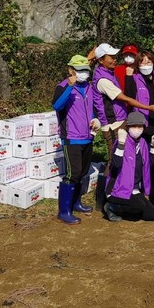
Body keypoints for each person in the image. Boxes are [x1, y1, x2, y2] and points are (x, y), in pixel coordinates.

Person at [92, 43, 154, 171]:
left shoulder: (108, 73)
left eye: (114, 57)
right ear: (101, 60)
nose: (114, 59)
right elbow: (124, 98)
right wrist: (147, 107)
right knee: (115, 159)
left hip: (119, 120)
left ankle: (118, 182)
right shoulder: (103, 80)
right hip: (112, 124)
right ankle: (107, 183)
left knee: (122, 157)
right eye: (111, 57)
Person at [53, 55, 101, 225]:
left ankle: (76, 203)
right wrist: (69, 86)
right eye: (79, 70)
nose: (83, 73)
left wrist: (96, 119)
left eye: (86, 70)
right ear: (70, 70)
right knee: (72, 174)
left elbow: (91, 108)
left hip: (87, 137)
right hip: (71, 137)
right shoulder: (63, 86)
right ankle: (64, 211)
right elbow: (57, 106)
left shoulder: (88, 87)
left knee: (82, 172)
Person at [103, 112, 154, 222]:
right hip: (117, 189)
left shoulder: (142, 143)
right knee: (138, 207)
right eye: (134, 126)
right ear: (127, 127)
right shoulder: (121, 141)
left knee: (151, 215)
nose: (137, 129)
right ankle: (111, 207)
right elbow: (116, 164)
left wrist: (152, 145)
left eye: (140, 126)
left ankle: (125, 210)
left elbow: (149, 164)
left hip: (134, 189)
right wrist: (121, 144)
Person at [125, 51, 154, 142]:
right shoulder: (134, 78)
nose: (146, 66)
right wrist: (128, 77)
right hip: (142, 120)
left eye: (148, 62)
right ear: (137, 65)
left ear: (153, 63)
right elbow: (129, 97)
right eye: (142, 63)